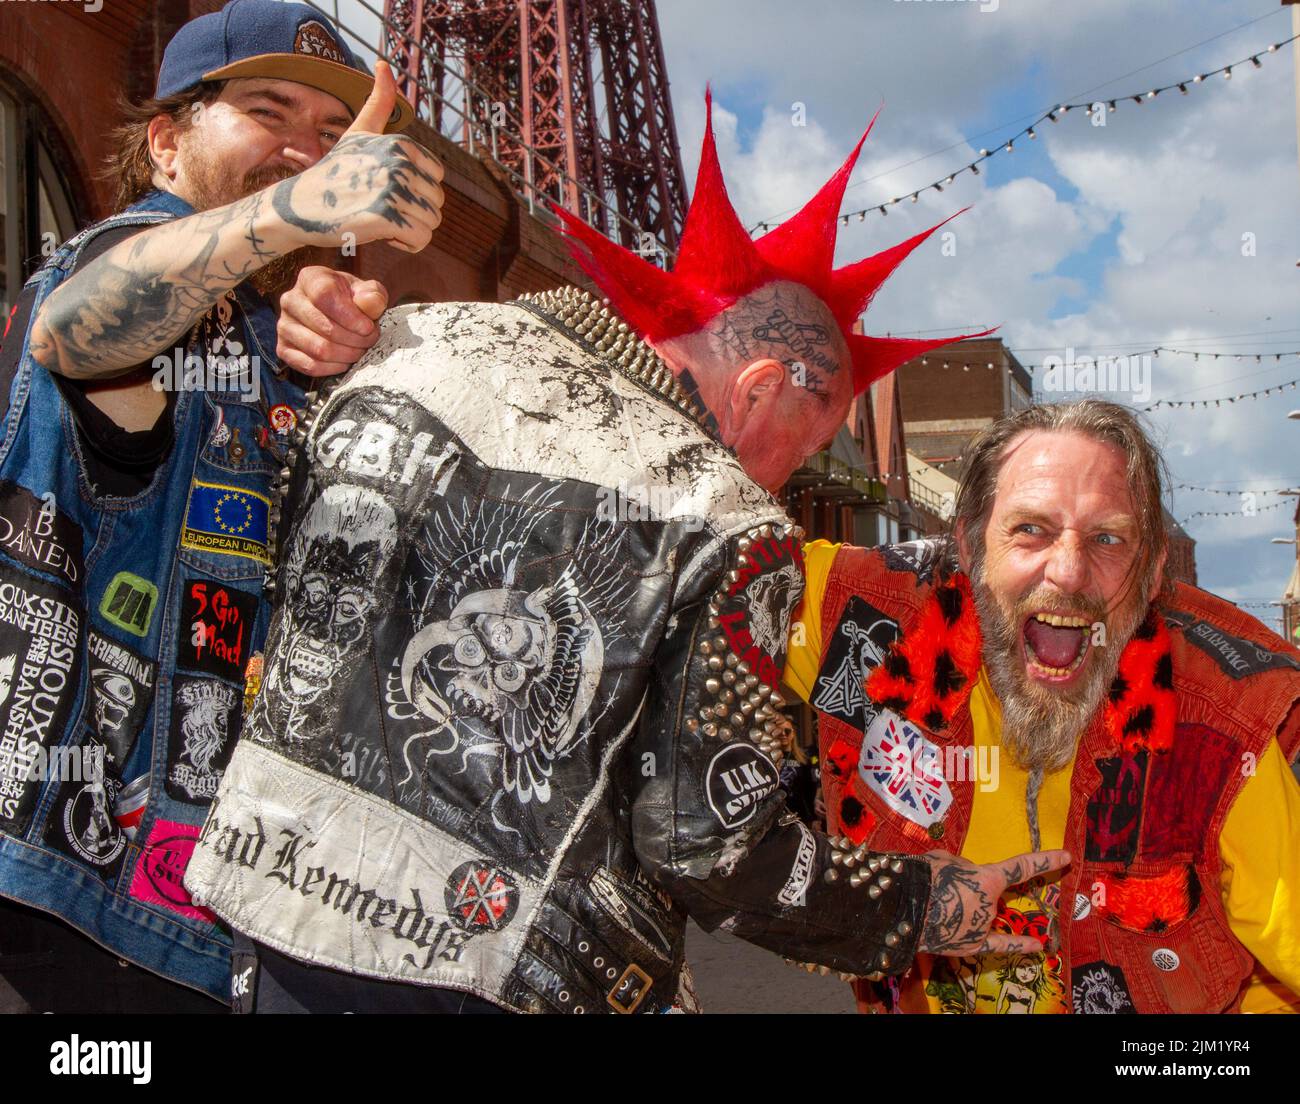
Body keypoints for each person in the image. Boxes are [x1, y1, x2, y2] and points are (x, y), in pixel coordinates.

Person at [185, 93, 1068, 1014]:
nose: (781, 485)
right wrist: (928, 904)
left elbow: (268, 575)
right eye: (798, 451)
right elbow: (707, 845)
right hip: (502, 975)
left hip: (274, 920)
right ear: (760, 388)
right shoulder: (729, 522)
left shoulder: (404, 341)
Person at [0, 0, 443, 1012]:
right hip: (76, 900)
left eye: (334, 135)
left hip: (216, 902)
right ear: (166, 140)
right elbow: (74, 331)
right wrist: (295, 211)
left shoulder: (271, 332)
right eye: (267, 109)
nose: (305, 149)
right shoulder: (123, 256)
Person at [784, 400, 1300, 1013]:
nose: (1069, 571)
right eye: (1031, 529)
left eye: (1108, 539)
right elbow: (690, 551)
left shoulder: (1224, 728)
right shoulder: (867, 621)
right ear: (971, 547)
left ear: (1154, 570)